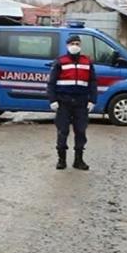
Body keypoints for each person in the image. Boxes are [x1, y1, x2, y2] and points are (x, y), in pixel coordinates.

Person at [47, 35, 97, 171]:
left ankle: (78, 160)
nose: (75, 45)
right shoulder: (60, 61)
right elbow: (51, 83)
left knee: (80, 131)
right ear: (67, 45)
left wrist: (93, 100)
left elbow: (92, 82)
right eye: (72, 43)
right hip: (63, 102)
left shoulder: (87, 62)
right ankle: (61, 159)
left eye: (77, 43)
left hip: (81, 103)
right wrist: (53, 100)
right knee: (63, 131)